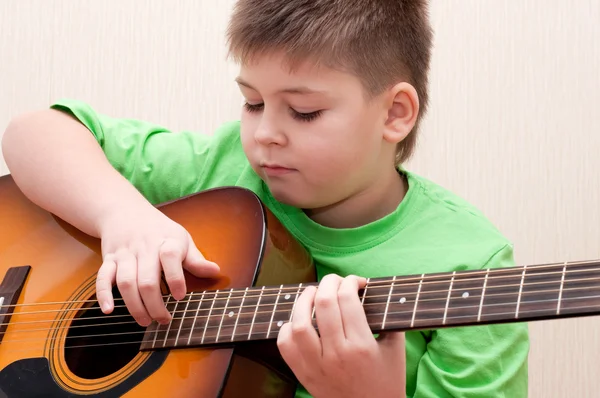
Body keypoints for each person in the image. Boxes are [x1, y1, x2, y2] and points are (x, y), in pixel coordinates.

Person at [1, 0, 529, 397]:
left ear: (394, 114)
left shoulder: (472, 268)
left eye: (303, 112)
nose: (264, 135)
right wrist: (123, 216)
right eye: (252, 102)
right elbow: (34, 132)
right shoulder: (223, 168)